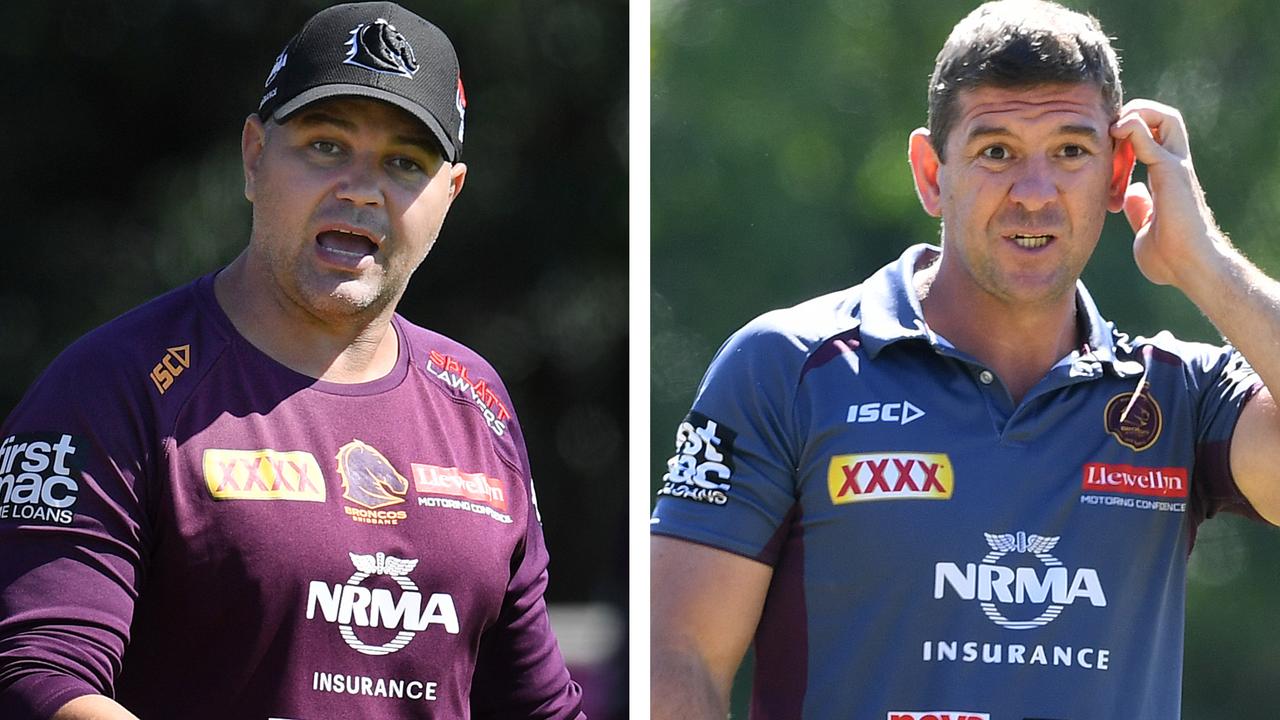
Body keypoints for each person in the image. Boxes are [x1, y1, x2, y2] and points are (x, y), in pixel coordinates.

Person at [650, 0, 1280, 717]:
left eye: (1071, 151)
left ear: (1117, 175)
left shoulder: (1177, 397)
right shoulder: (784, 368)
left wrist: (1204, 265)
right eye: (996, 151)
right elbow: (677, 656)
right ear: (930, 173)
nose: (1035, 195)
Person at [0, 3, 584, 719]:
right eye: (326, 146)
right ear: (253, 157)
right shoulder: (112, 385)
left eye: (405, 163)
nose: (362, 188)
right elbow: (36, 679)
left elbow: (538, 707)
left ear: (450, 195)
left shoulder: (478, 405)